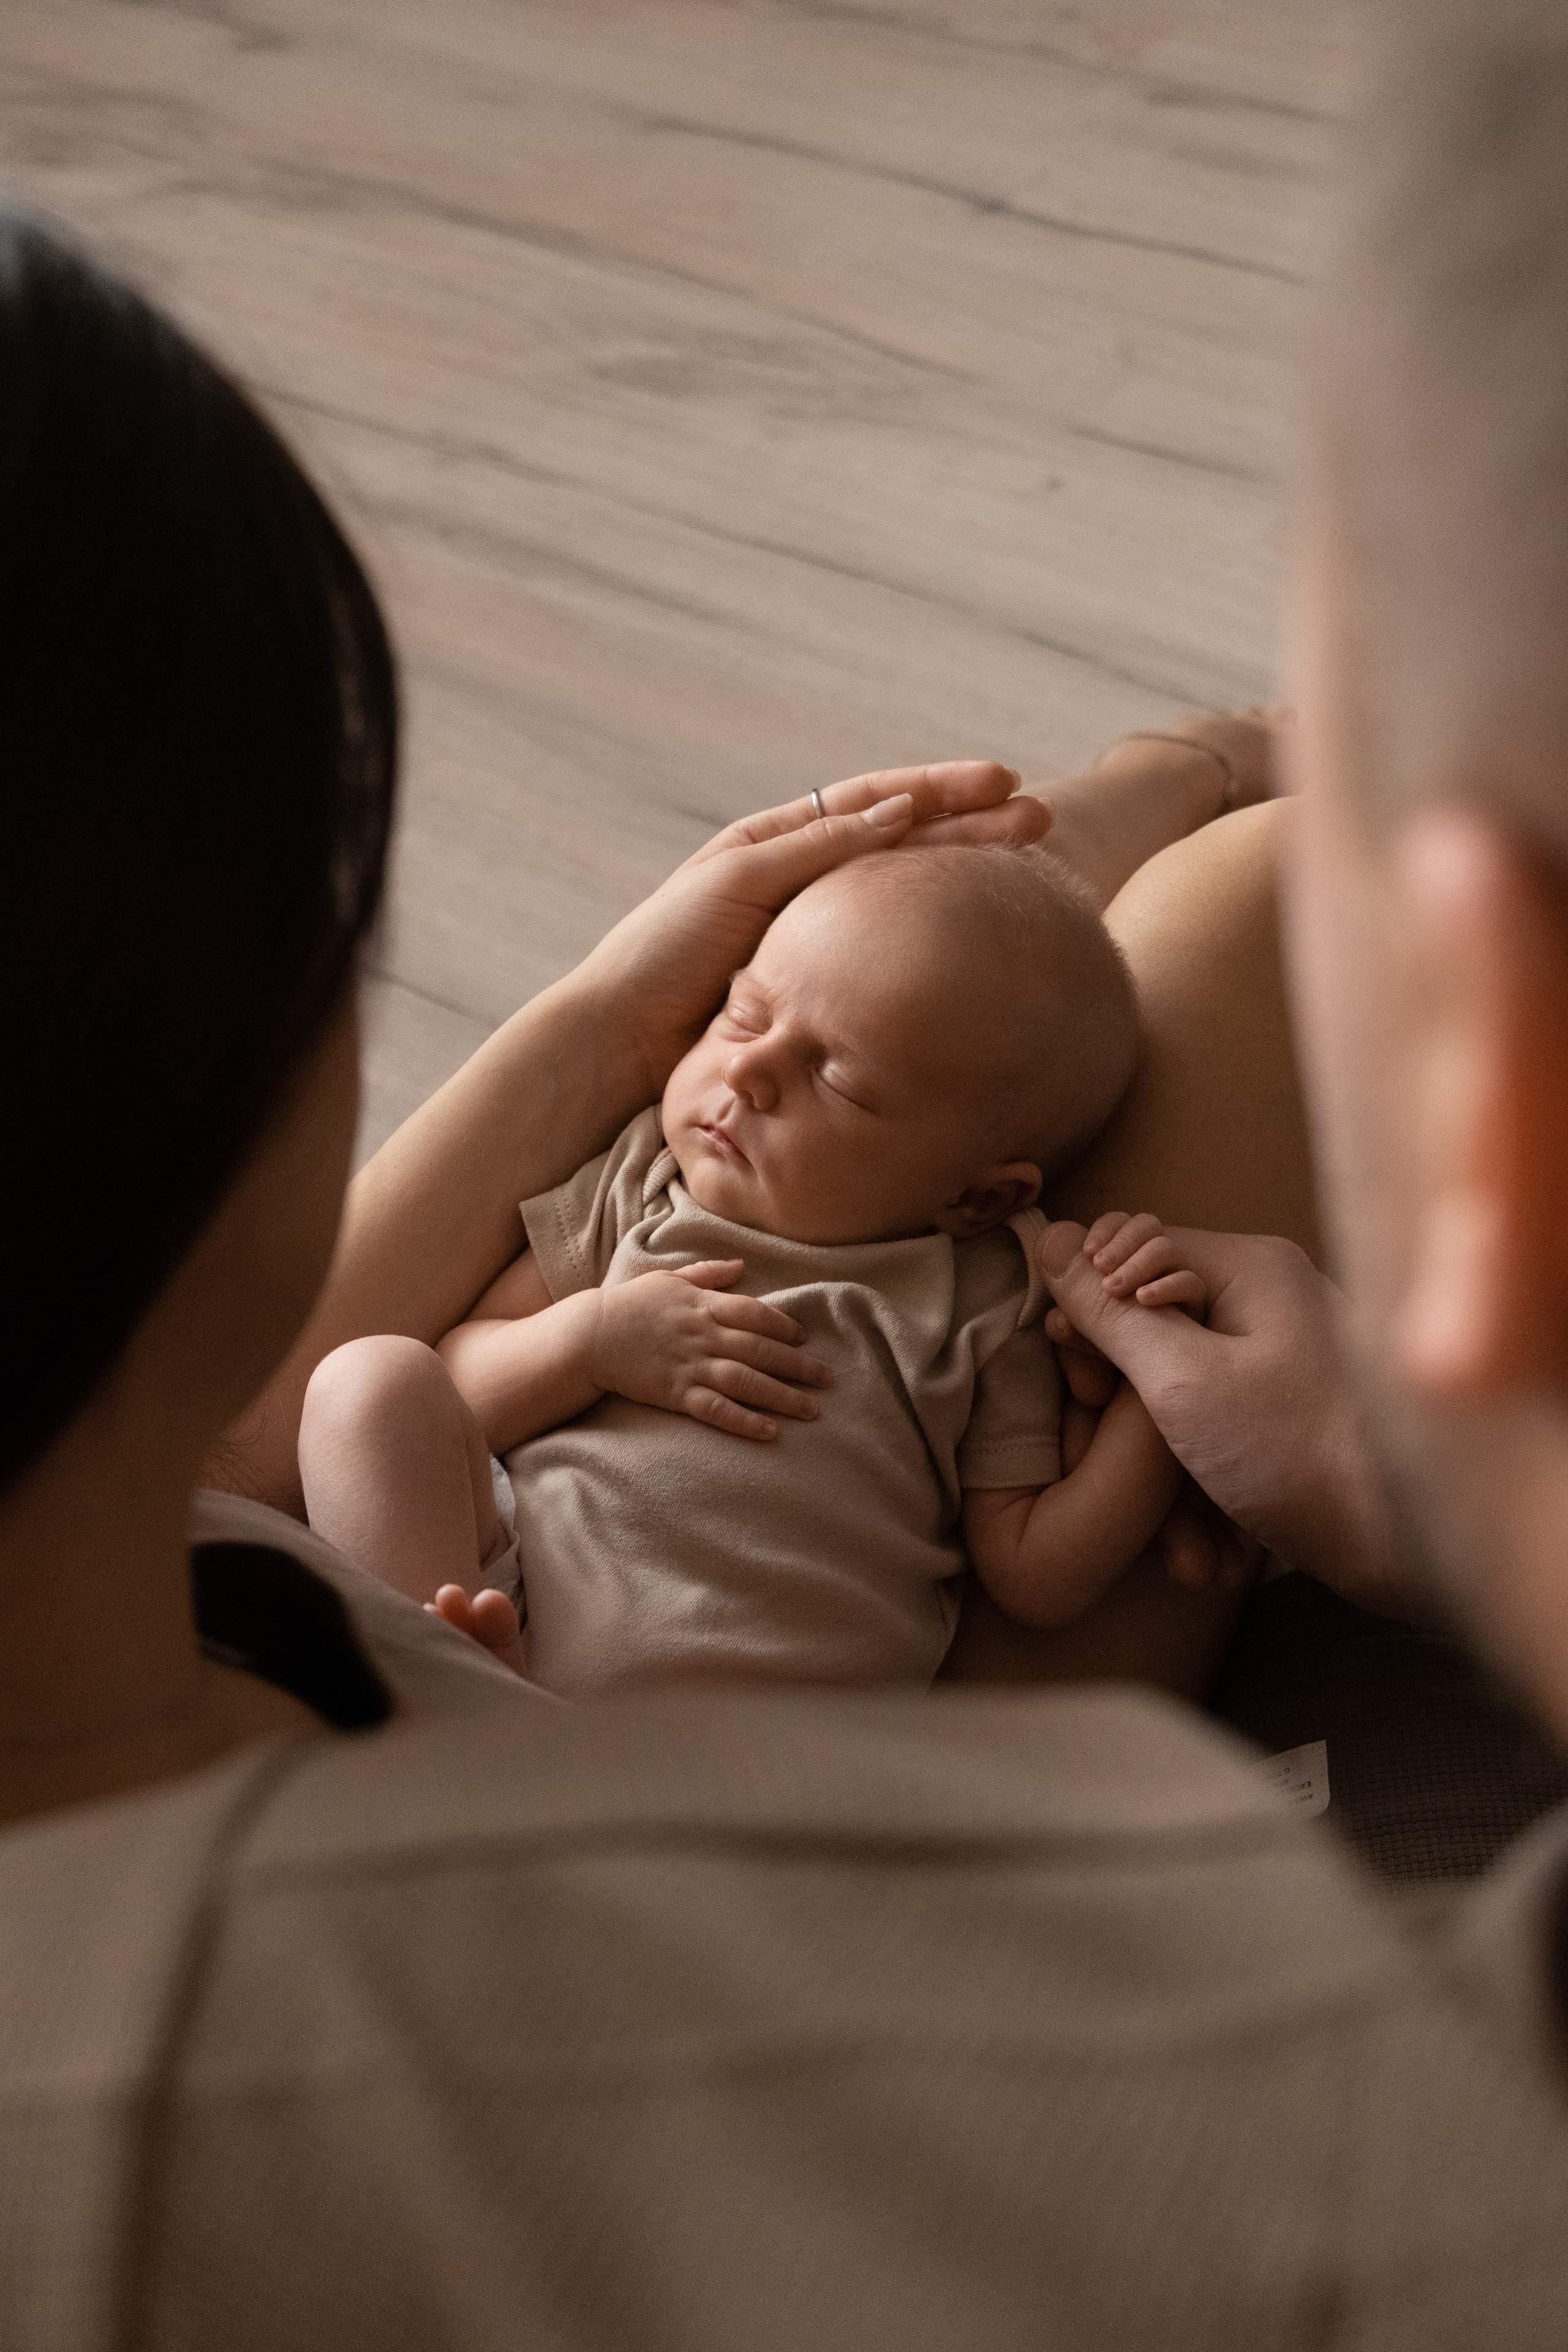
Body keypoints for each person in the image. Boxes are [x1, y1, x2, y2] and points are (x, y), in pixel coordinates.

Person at [11, 0, 1568, 2332]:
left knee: (1103, 933)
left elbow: (292, 1397)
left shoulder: (163, 1561)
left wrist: (623, 1022)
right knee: (1234, 927)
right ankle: (1226, 784)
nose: (696, 1073)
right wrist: (1393, 1481)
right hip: (842, 1829)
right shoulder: (1282, 2134)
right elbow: (1043, 1620)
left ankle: (1190, 781)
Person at [293, 769, 1246, 1695]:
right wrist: (589, 1343)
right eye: (743, 1013)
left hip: (763, 1754)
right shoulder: (647, 1187)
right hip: (515, 1639)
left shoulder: (989, 1292)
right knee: (364, 1383)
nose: (749, 1072)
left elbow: (1040, 1573)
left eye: (837, 1081)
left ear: (977, 1201)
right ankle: (430, 1684)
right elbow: (459, 1381)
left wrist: (1166, 1405)